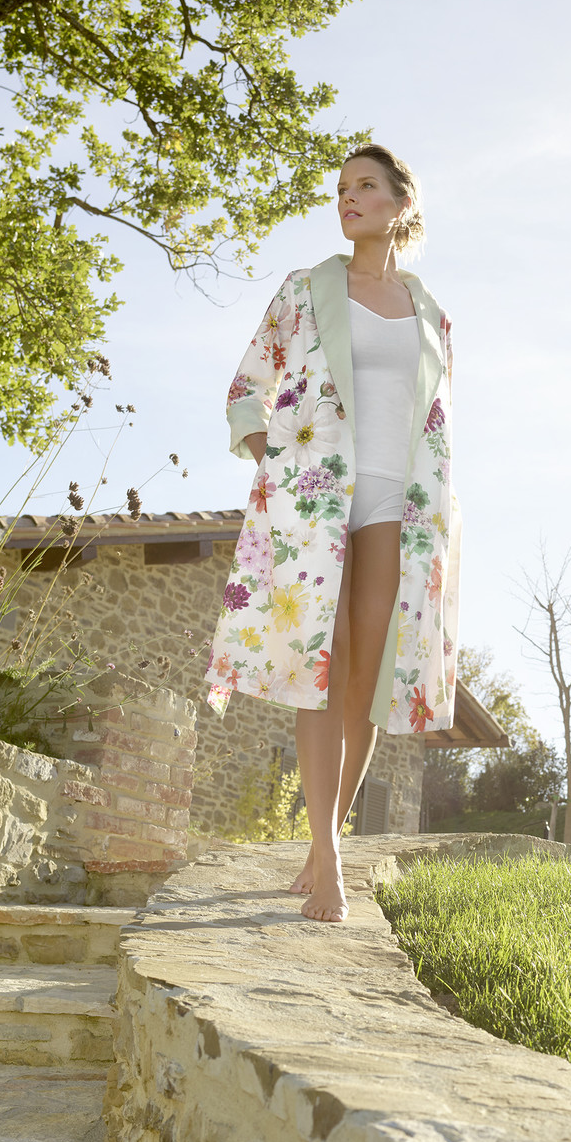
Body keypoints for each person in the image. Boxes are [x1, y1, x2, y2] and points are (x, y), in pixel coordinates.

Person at [206, 146, 461, 922]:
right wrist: (272, 460)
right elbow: (247, 387)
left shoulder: (430, 315)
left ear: (399, 204)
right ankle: (331, 863)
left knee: (367, 677)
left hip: (399, 501)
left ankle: (323, 845)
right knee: (324, 661)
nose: (347, 199)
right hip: (314, 497)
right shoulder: (305, 290)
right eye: (341, 189)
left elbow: (439, 423)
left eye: (363, 188)